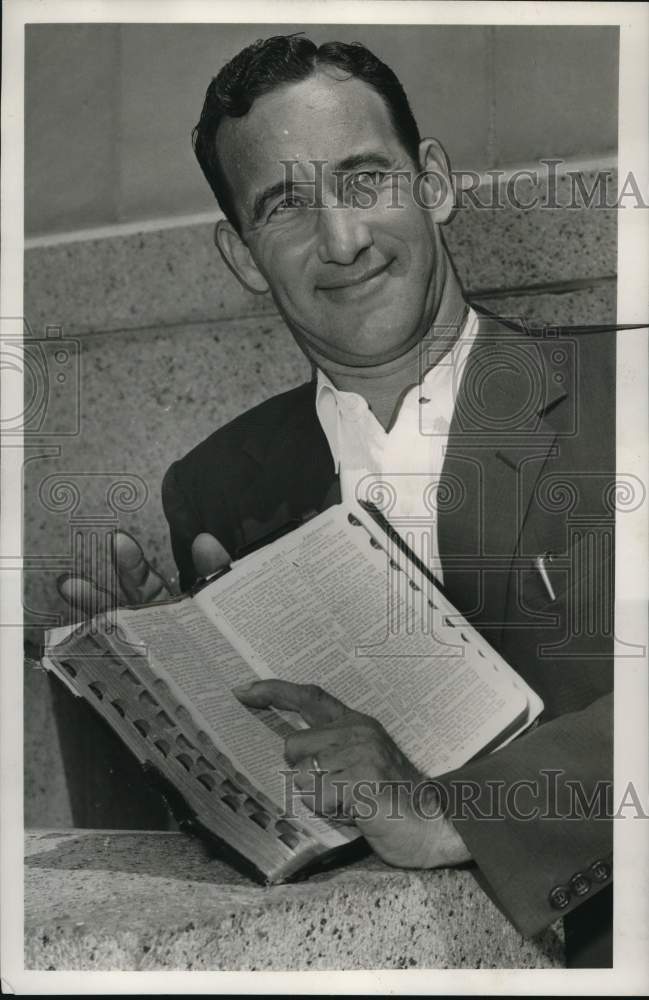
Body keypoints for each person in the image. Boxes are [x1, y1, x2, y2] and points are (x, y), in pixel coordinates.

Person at [61, 35, 615, 966]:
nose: (342, 239)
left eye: (363, 180)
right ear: (242, 256)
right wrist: (160, 699)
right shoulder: (218, 485)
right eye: (284, 204)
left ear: (431, 182)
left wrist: (456, 811)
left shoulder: (620, 393)